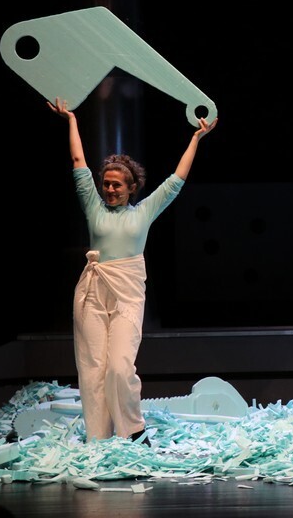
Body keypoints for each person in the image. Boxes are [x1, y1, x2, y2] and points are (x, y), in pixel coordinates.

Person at [47, 97, 217, 444]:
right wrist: (72, 121)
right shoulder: (93, 207)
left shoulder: (143, 212)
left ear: (131, 187)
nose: (109, 189)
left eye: (117, 185)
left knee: (119, 367)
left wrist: (196, 138)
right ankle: (98, 438)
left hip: (126, 293)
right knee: (92, 369)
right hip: (92, 292)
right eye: (106, 183)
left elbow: (176, 180)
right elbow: (78, 162)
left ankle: (133, 430)